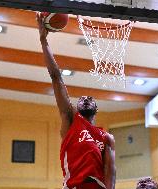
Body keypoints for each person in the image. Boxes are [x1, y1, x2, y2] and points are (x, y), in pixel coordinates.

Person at [36, 12, 116, 189]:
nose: (86, 99)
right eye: (82, 99)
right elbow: (56, 76)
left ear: (96, 109)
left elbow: (110, 172)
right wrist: (44, 41)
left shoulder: (106, 138)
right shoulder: (71, 120)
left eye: (90, 99)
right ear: (77, 108)